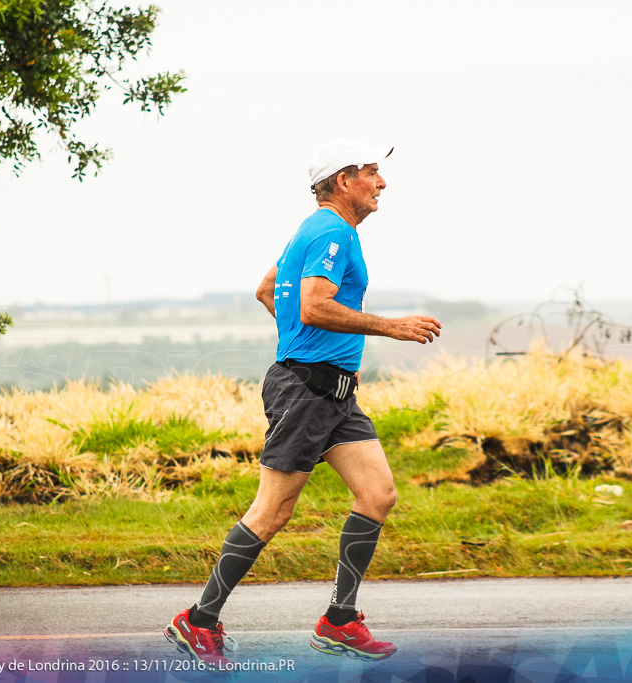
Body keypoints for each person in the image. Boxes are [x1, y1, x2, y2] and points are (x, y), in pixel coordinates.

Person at [164, 138, 442, 669]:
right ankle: (198, 621)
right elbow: (313, 304)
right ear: (343, 180)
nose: (382, 183)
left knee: (378, 494)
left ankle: (339, 622)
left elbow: (268, 289)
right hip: (307, 392)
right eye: (372, 173)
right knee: (272, 512)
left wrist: (309, 346)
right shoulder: (332, 230)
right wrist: (391, 327)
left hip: (333, 392)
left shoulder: (314, 230)